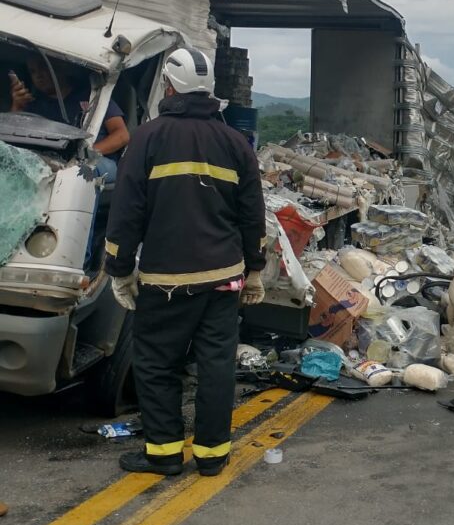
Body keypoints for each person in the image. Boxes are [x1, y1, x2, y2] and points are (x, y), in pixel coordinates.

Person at [103, 47, 267, 478]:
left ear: (170, 87)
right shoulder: (236, 143)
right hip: (223, 281)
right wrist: (255, 268)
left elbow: (126, 212)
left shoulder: (148, 138)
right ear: (209, 90)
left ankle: (164, 455)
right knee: (216, 366)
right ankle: (212, 456)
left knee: (158, 365)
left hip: (165, 281)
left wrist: (118, 268)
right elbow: (253, 213)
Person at [10, 56, 129, 181]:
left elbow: (121, 135)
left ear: (60, 67)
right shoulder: (35, 106)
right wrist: (17, 106)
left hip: (98, 161)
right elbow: (12, 142)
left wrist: (84, 155)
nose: (38, 75)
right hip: (49, 164)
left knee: (79, 172)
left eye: (43, 68)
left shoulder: (93, 96)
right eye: (33, 71)